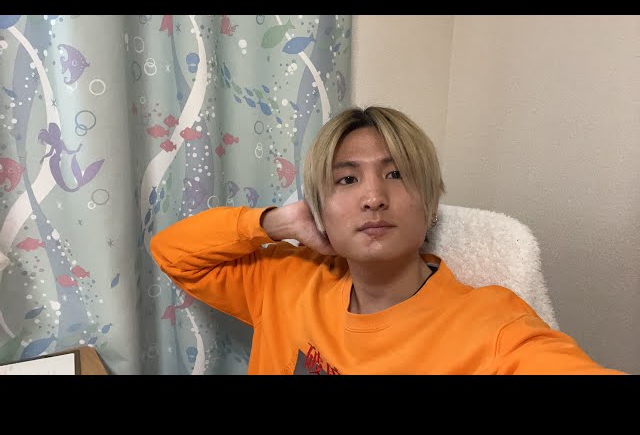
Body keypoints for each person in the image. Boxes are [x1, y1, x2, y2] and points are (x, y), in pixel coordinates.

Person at [150, 106, 627, 375]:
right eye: (346, 180)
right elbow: (173, 253)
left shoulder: (492, 328)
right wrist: (280, 221)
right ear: (319, 208)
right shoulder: (285, 279)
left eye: (396, 174)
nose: (374, 197)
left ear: (431, 203)